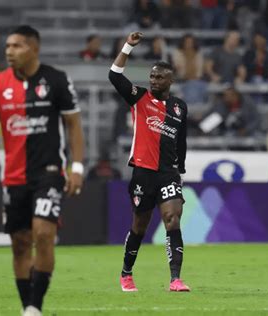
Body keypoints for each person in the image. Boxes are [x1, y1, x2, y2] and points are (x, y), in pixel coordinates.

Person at [0, 25, 84, 315]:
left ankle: (35, 307)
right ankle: (28, 307)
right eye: (7, 46)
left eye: (16, 46)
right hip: (13, 176)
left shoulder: (57, 80)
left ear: (34, 48)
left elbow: (74, 125)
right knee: (20, 244)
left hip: (49, 172)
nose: (9, 51)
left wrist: (76, 167)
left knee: (43, 233)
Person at [108, 31, 190, 292]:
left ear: (170, 80)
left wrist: (182, 166)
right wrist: (127, 47)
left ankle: (175, 279)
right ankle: (126, 273)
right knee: (139, 227)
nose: (153, 80)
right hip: (143, 173)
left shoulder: (179, 108)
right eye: (152, 76)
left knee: (172, 218)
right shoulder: (139, 97)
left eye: (159, 77)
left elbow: (181, 139)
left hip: (168, 174)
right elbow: (114, 75)